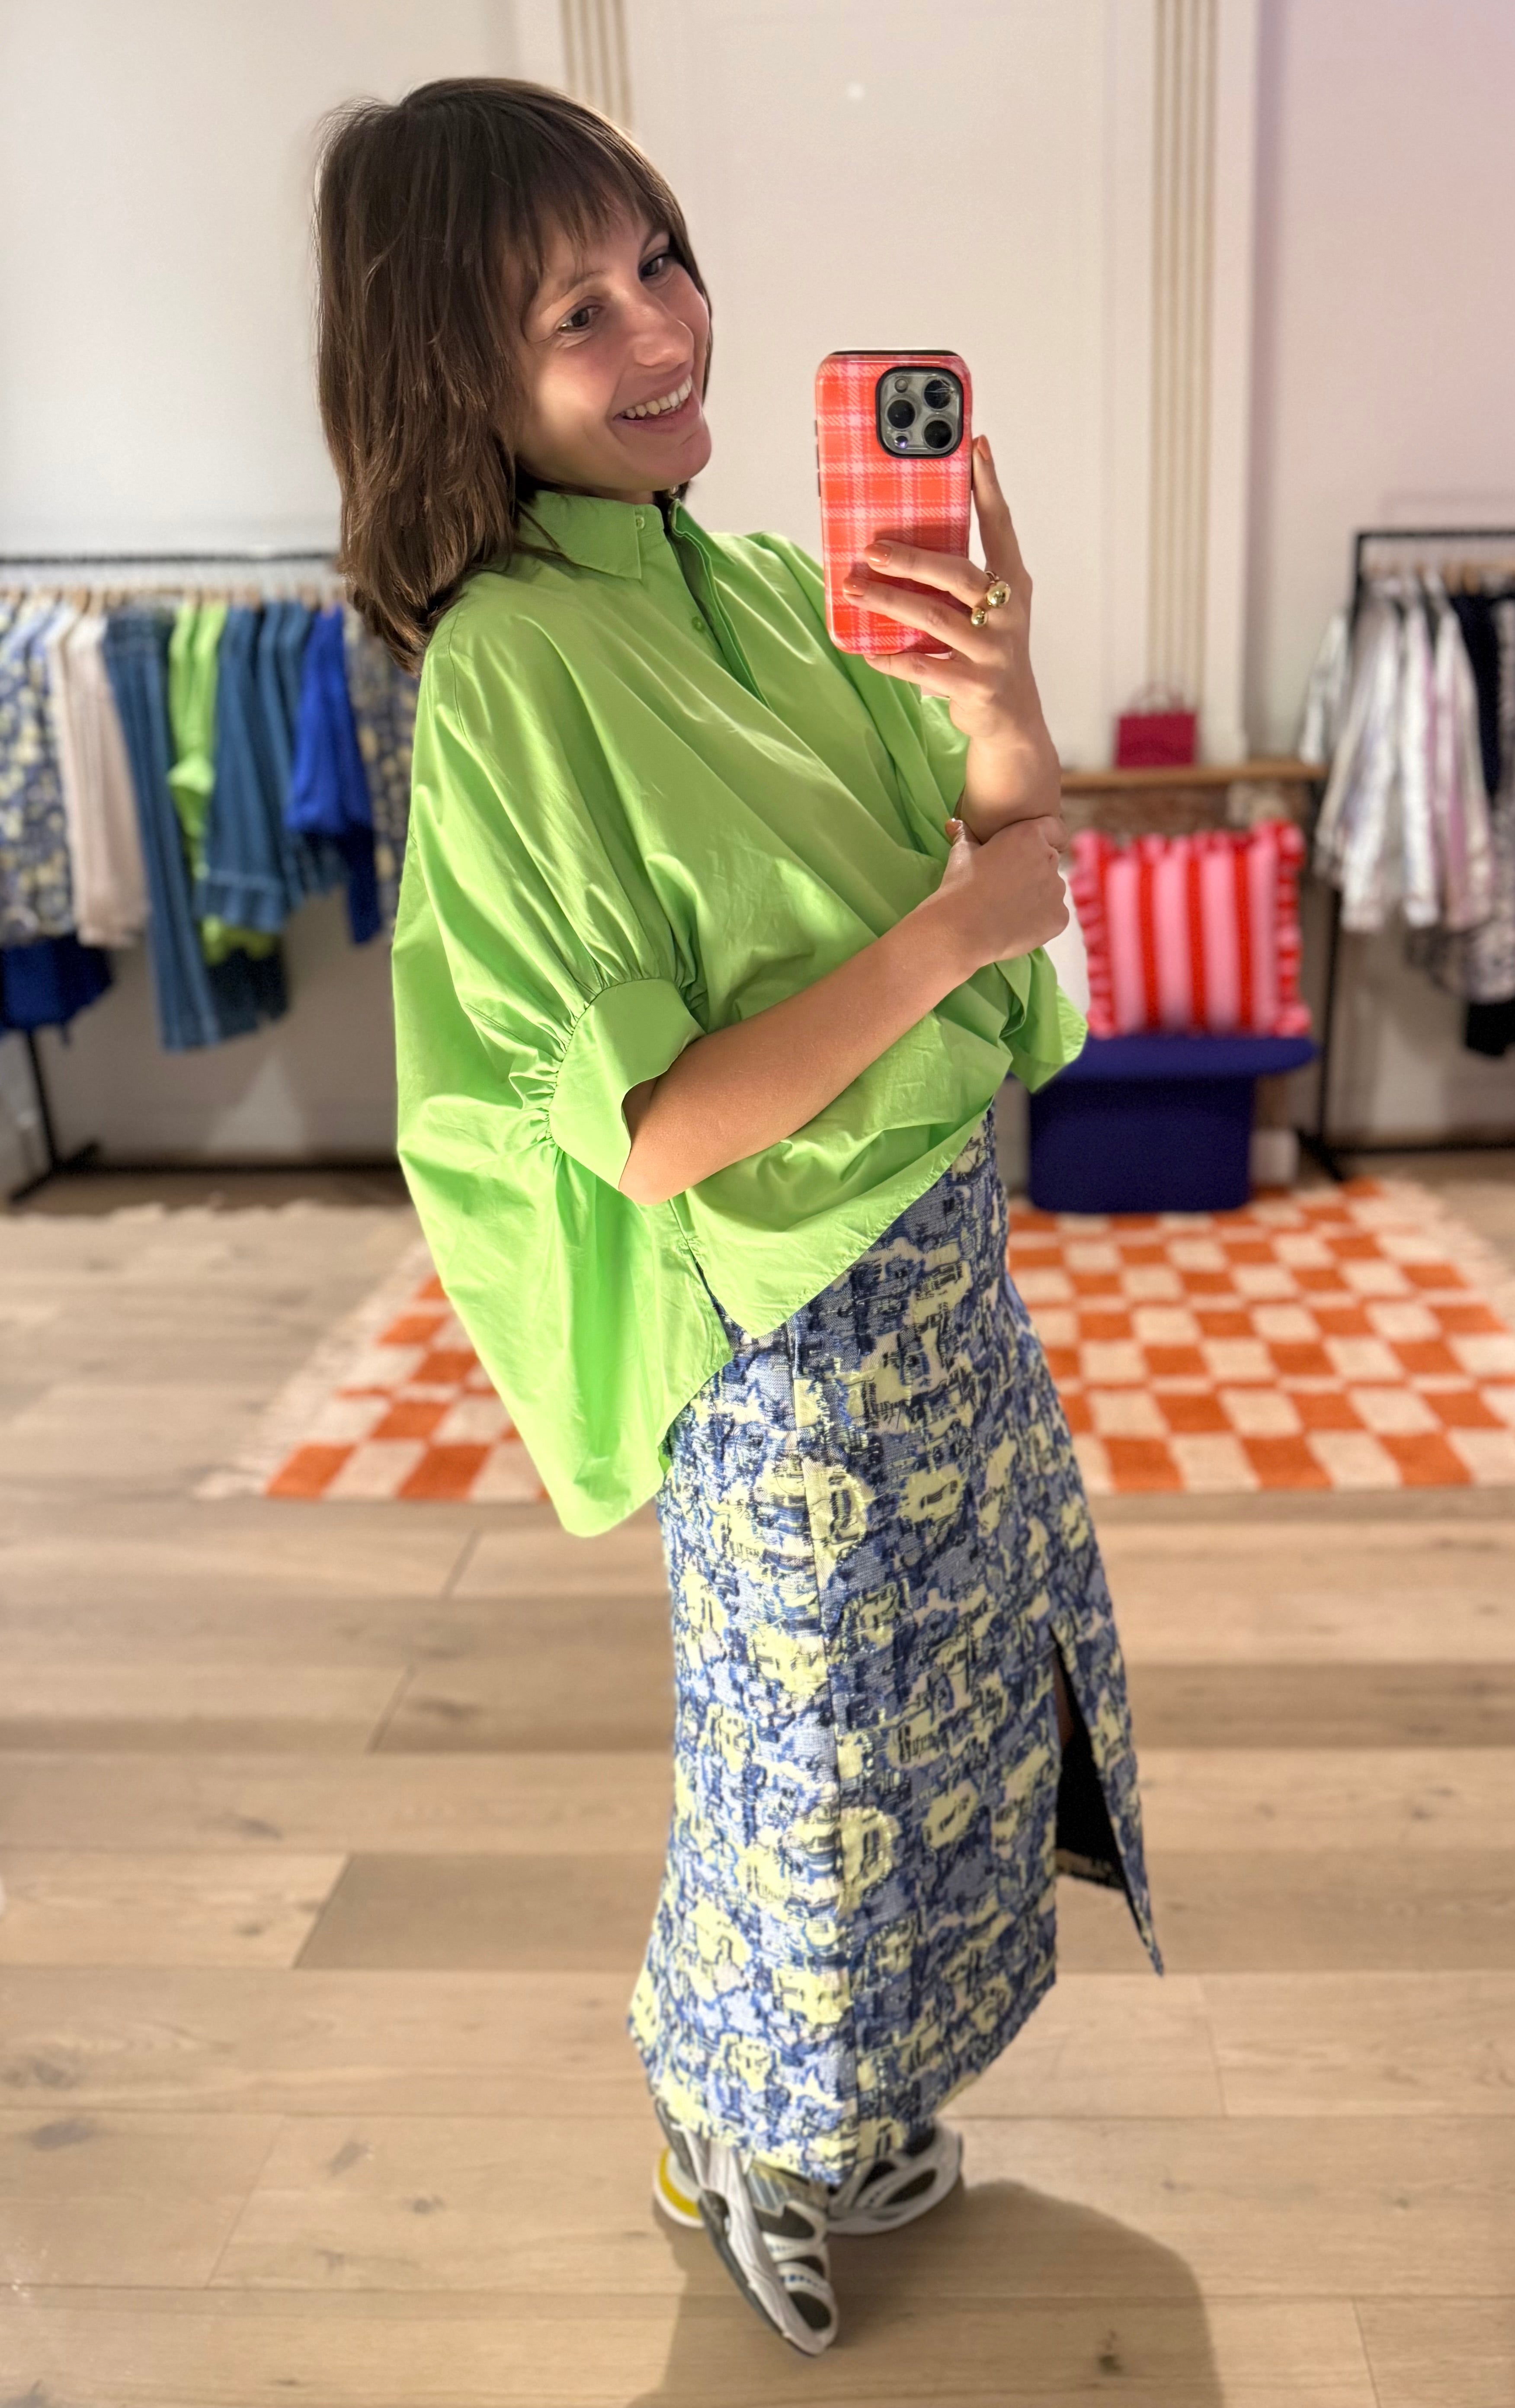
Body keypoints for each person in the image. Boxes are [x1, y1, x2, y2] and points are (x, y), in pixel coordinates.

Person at [314, 77, 1157, 2357]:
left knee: (951, 1738)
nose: (660, 328)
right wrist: (950, 934)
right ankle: (726, 2124)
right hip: (788, 1359)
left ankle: (841, 2099)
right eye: (574, 312)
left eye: (659, 259)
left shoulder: (781, 592)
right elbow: (657, 1129)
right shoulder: (512, 667)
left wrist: (999, 685)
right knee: (811, 1780)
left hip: (944, 1282)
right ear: (456, 378)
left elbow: (1013, 861)